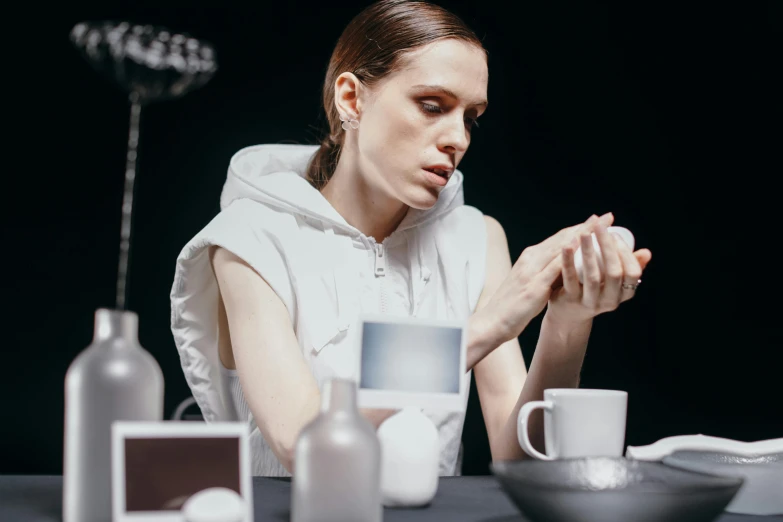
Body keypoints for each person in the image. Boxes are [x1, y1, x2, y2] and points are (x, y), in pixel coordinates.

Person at [170, 0, 652, 477]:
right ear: (351, 99)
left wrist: (566, 320)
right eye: (432, 106)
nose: (458, 138)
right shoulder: (251, 238)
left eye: (470, 117)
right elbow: (303, 443)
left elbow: (520, 458)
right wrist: (490, 325)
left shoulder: (476, 239)